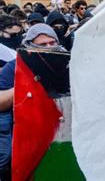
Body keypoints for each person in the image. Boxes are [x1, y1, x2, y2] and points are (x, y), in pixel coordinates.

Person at [0, 23, 65, 179]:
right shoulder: (14, 67)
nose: (49, 47)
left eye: (52, 43)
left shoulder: (69, 62)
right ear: (30, 47)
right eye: (42, 45)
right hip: (24, 129)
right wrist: (25, 86)